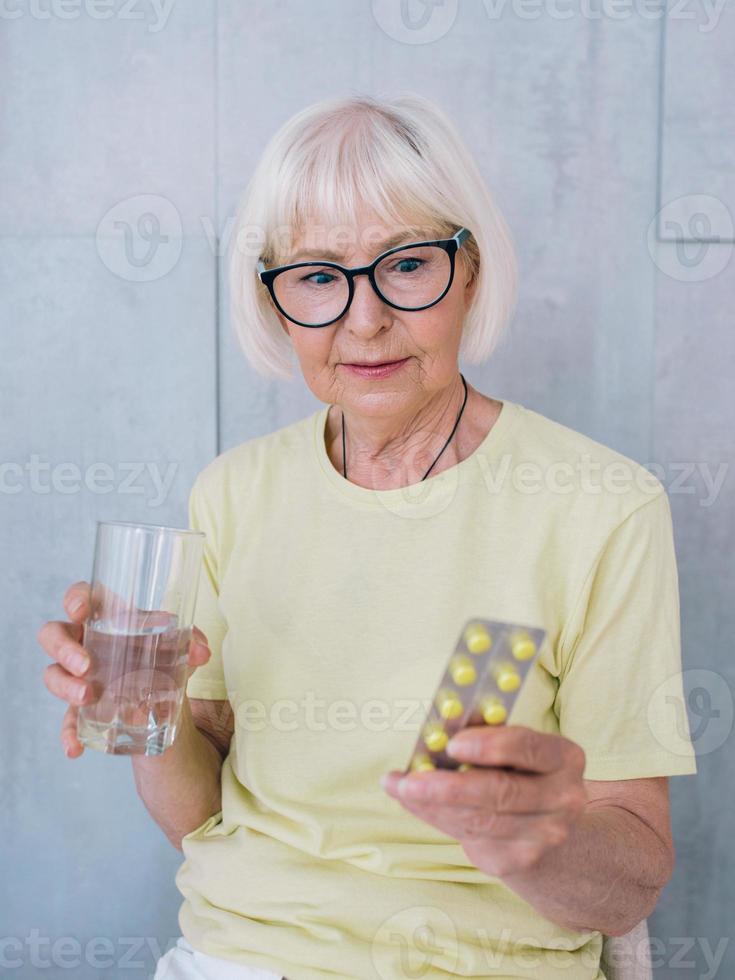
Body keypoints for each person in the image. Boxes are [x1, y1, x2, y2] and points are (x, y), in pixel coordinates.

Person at [38, 93, 697, 980]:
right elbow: (200, 819)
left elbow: (624, 892)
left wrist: (532, 836)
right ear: (273, 300)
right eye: (316, 276)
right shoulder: (233, 493)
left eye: (407, 266)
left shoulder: (603, 505)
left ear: (469, 269)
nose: (363, 320)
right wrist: (145, 713)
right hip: (240, 958)